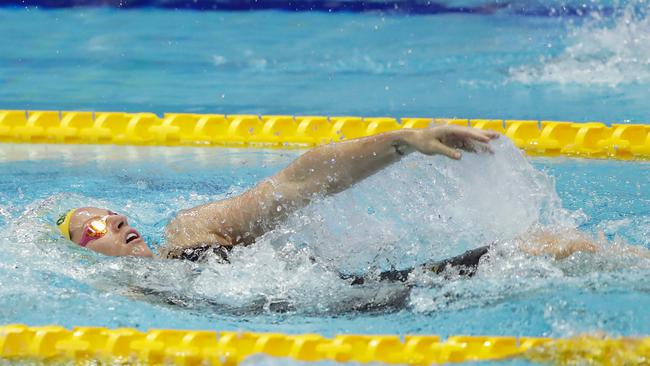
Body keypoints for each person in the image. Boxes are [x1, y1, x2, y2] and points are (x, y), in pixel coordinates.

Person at [56, 125, 607, 283]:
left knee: (553, 248)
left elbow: (299, 182)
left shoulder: (190, 235)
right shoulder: (112, 303)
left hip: (365, 301)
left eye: (113, 212)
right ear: (79, 253)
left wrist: (402, 142)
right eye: (96, 226)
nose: (118, 220)